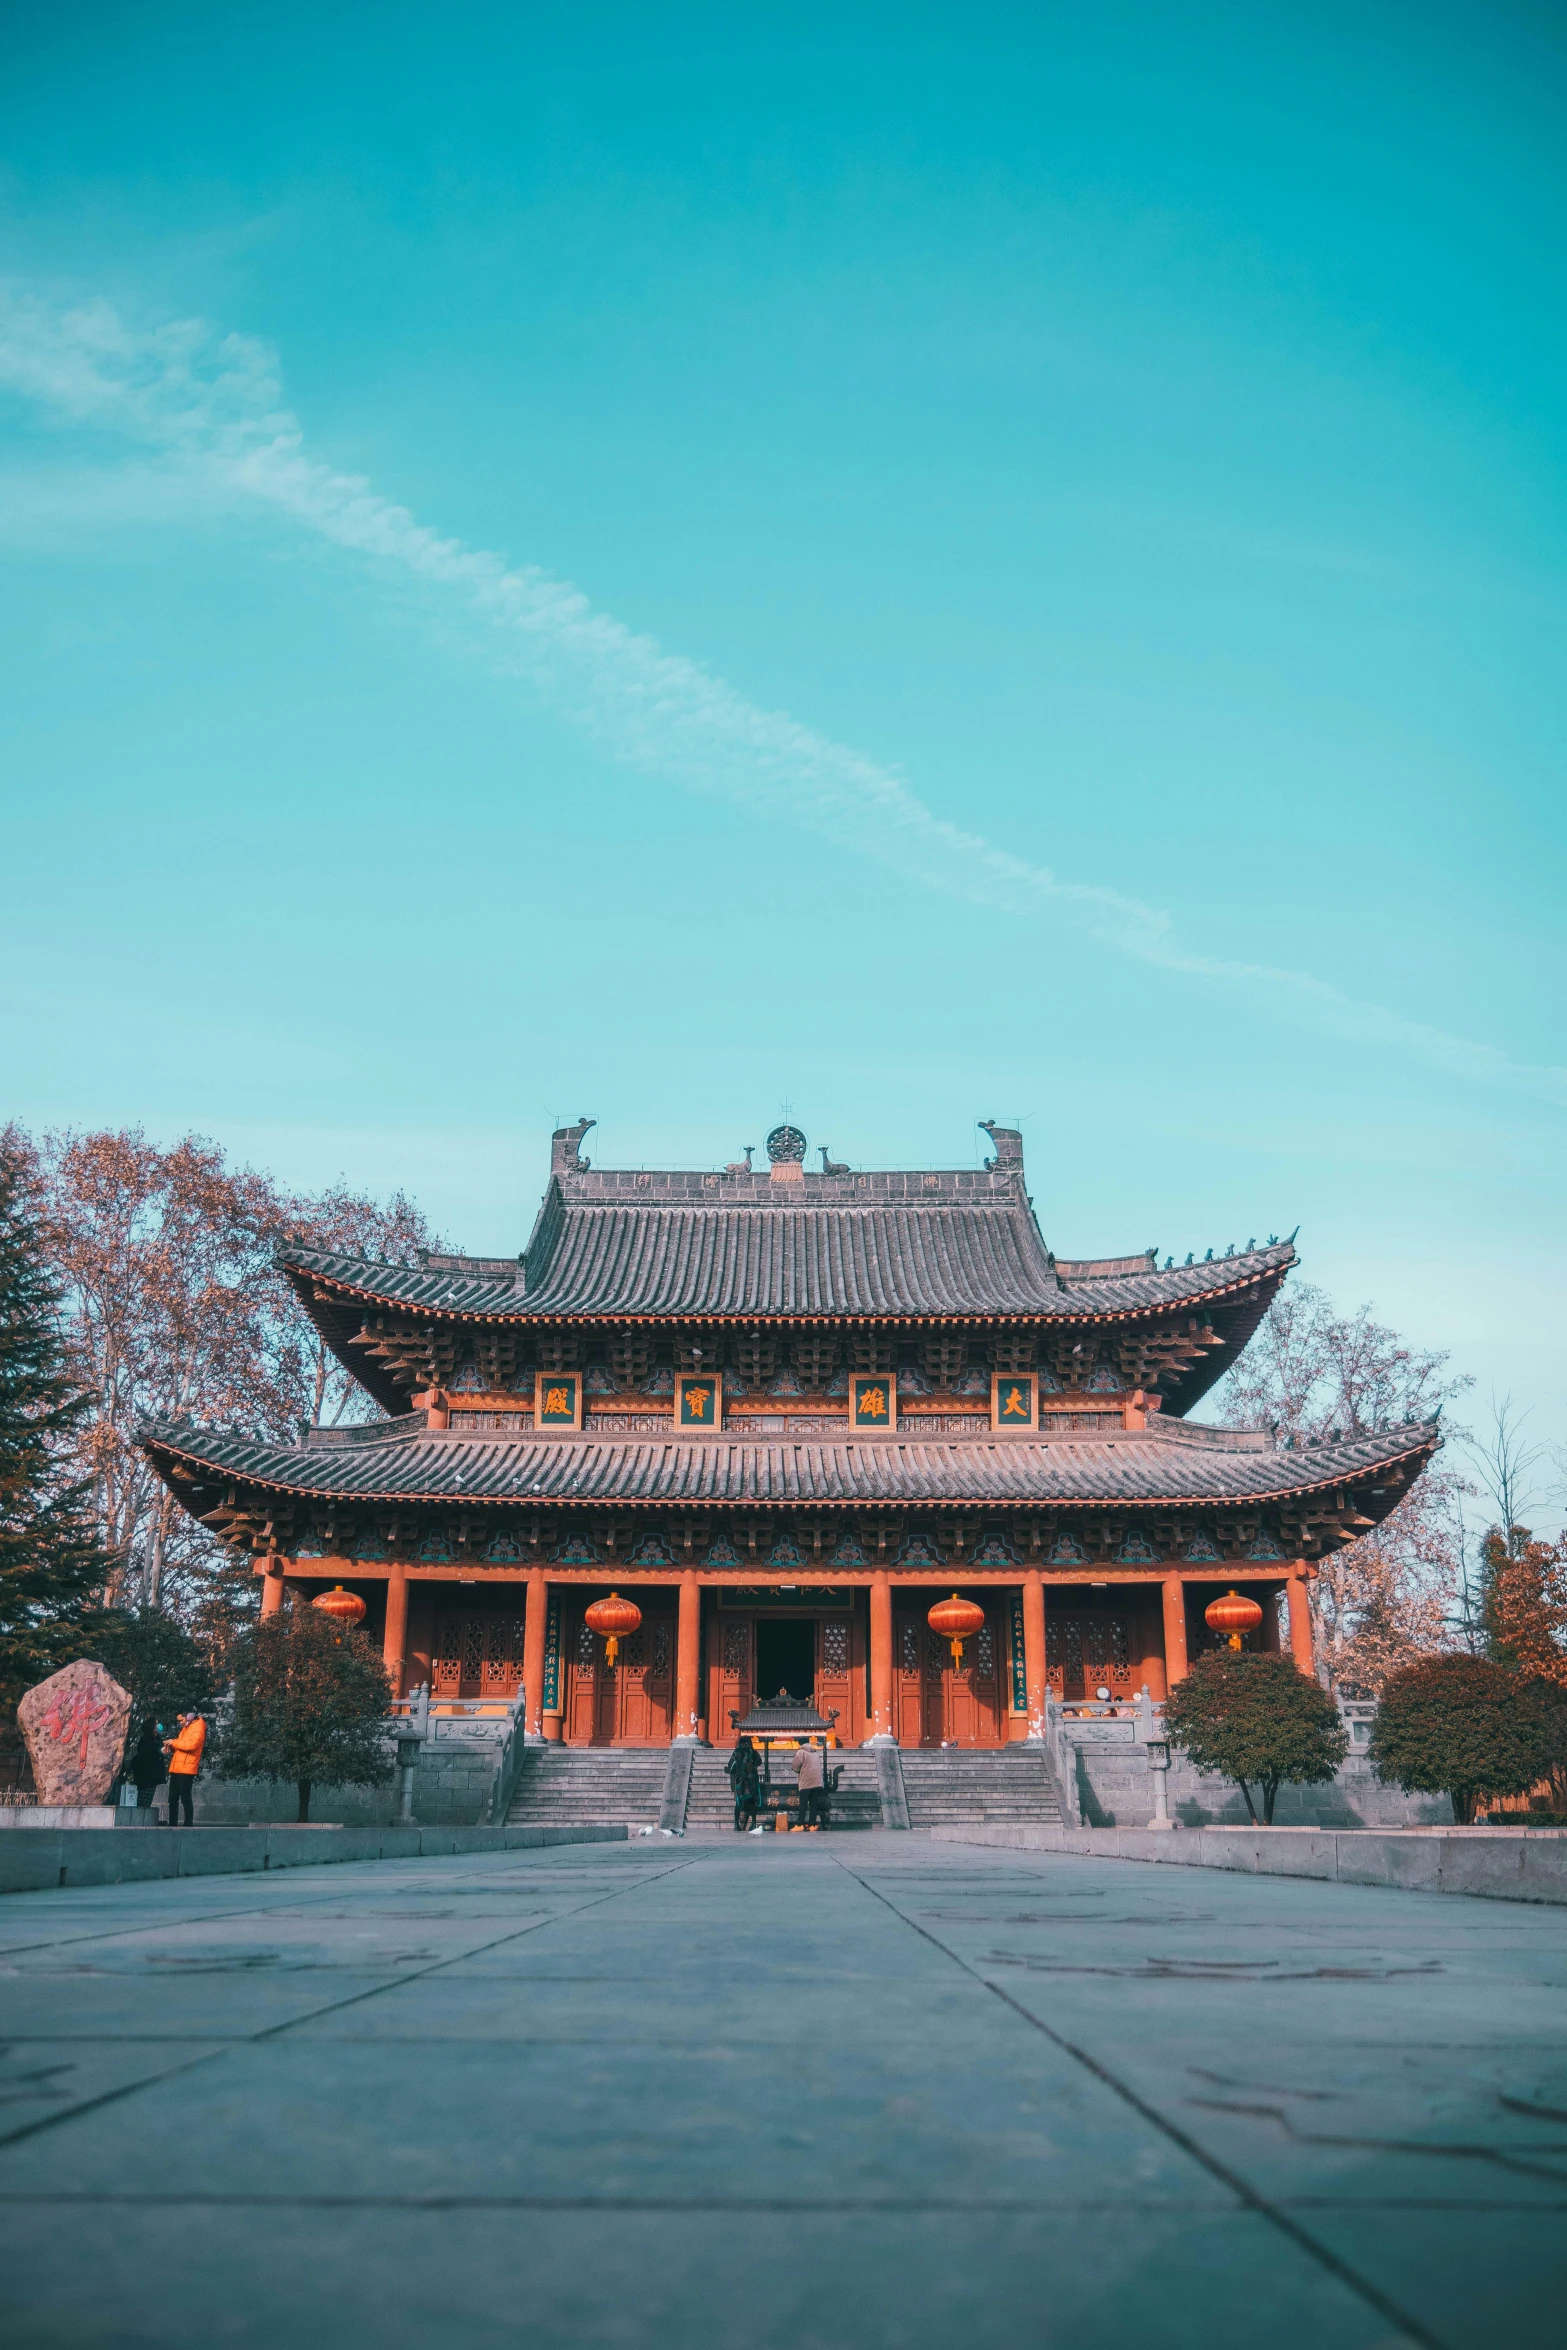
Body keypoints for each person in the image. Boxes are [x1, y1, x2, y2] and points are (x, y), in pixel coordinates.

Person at [162, 1709, 206, 1826]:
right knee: (172, 1799)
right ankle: (172, 1824)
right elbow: (181, 1745)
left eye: (181, 1720)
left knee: (185, 1798)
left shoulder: (198, 1727)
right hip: (177, 1767)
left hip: (187, 1768)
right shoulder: (186, 1728)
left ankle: (188, 1825)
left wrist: (174, 1742)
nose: (180, 1722)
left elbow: (192, 1745)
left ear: (189, 1717)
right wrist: (170, 1747)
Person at [128, 1720, 166, 1811]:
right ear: (152, 1728)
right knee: (143, 1804)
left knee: (146, 1803)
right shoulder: (147, 1741)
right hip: (146, 1778)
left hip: (152, 1778)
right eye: (156, 1724)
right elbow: (148, 1757)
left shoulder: (156, 1740)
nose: (159, 1725)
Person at [727, 1735, 760, 1833]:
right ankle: (753, 1823)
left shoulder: (737, 1752)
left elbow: (731, 1765)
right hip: (751, 1780)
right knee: (751, 1802)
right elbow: (759, 1761)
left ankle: (736, 1825)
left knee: (738, 1803)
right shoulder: (753, 1752)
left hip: (740, 1781)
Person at [794, 1737, 826, 1831]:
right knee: (813, 1803)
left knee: (803, 1803)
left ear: (800, 1743)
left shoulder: (801, 1752)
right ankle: (812, 1824)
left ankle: (800, 1824)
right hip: (817, 1782)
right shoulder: (814, 1752)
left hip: (806, 1781)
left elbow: (795, 1766)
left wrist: (800, 1771)